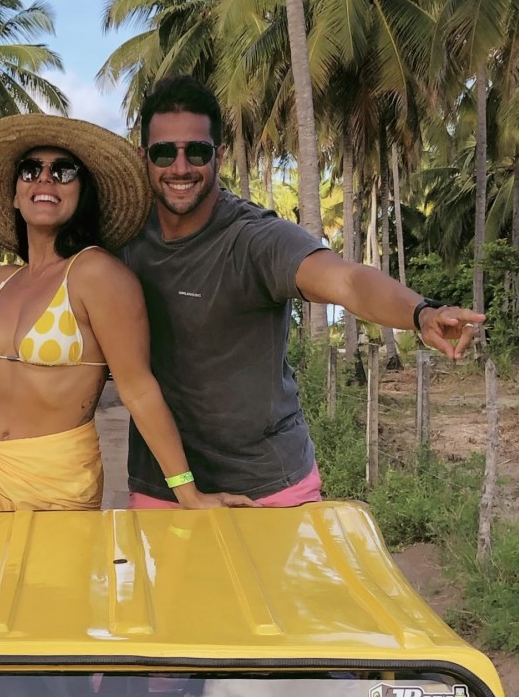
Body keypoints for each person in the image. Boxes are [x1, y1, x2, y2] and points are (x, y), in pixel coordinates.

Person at [120, 75, 486, 507]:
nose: (180, 167)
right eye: (164, 152)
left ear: (219, 155)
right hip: (165, 487)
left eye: (196, 151)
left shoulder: (255, 240)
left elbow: (347, 280)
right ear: (144, 157)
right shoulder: (124, 235)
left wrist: (420, 313)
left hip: (268, 487)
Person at [0, 115, 245, 513]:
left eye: (63, 171)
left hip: (53, 484)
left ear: (82, 193)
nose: (45, 179)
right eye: (30, 169)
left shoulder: (96, 275)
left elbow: (139, 390)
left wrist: (187, 493)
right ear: (15, 195)